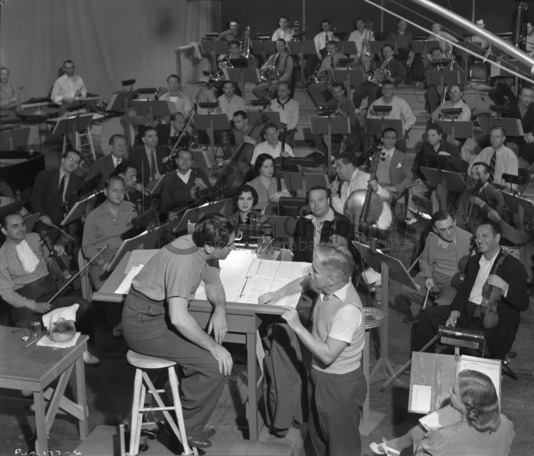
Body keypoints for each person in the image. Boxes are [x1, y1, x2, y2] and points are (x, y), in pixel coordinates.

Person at [121, 213, 237, 450]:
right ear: (208, 246)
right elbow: (178, 317)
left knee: (207, 355)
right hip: (143, 324)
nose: (233, 248)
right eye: (229, 245)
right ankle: (184, 428)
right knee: (215, 365)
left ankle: (182, 420)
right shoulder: (184, 260)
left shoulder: (203, 247)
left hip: (159, 316)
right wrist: (215, 348)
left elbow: (214, 283)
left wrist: (220, 310)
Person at [258, 243, 366, 456]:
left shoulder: (347, 310)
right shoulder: (327, 285)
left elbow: (327, 355)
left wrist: (297, 326)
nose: (310, 272)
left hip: (339, 385)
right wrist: (277, 293)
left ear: (332, 279)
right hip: (319, 375)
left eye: (315, 270)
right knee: (317, 435)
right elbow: (305, 281)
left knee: (341, 447)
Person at [412, 220, 529, 359]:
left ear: (497, 238)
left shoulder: (514, 267)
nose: (479, 240)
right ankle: (422, 368)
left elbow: (523, 303)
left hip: (489, 320)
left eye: (485, 236)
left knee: (461, 345)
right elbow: (463, 292)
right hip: (466, 311)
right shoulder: (474, 261)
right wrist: (455, 311)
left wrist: (505, 287)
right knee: (428, 316)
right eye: (477, 236)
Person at [0, 211, 99, 364]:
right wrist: (32, 304)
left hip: (51, 292)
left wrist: (56, 252)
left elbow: (49, 260)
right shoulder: (2, 256)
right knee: (25, 330)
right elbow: (6, 292)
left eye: (22, 224)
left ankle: (85, 349)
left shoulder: (34, 238)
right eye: (15, 226)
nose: (21, 229)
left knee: (86, 307)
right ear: (4, 230)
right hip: (25, 301)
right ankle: (41, 366)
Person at [373, 370, 514, 456]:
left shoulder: (446, 436)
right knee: (419, 431)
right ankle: (394, 446)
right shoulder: (505, 423)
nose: (450, 394)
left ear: (468, 402)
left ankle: (394, 446)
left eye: (453, 392)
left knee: (421, 431)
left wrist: (430, 437)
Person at [82, 175, 136, 336]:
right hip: (102, 255)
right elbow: (87, 246)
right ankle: (117, 322)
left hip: (127, 252)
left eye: (122, 190)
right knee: (107, 286)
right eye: (114, 190)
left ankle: (133, 319)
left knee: (139, 279)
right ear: (105, 192)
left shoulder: (131, 207)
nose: (119, 194)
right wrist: (100, 262)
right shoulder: (94, 215)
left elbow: (137, 235)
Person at [400, 211, 472, 319]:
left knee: (443, 306)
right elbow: (424, 259)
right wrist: (428, 276)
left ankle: (432, 312)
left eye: (451, 227)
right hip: (434, 276)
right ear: (435, 229)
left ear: (455, 222)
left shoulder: (468, 239)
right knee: (407, 288)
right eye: (442, 230)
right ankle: (424, 311)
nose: (449, 232)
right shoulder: (432, 237)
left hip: (453, 281)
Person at [330, 153, 393, 230]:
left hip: (378, 222)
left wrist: (377, 189)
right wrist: (334, 195)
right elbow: (343, 211)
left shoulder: (365, 177)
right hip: (360, 225)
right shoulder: (344, 186)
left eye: (339, 166)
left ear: (349, 166)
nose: (336, 170)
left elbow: (388, 196)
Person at [293, 187, 354, 263]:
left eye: (320, 200)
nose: (316, 204)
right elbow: (298, 254)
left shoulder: (342, 222)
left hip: (333, 271)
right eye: (312, 201)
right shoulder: (302, 222)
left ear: (328, 201)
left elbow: (350, 256)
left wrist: (345, 245)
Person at [30, 150, 84, 227]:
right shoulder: (45, 175)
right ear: (62, 160)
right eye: (70, 159)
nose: (73, 163)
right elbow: (35, 199)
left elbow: (74, 203)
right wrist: (42, 216)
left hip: (65, 219)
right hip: (45, 216)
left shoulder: (77, 182)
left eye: (76, 162)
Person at [159, 149, 211, 221]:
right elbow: (163, 206)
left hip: (200, 215)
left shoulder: (199, 173)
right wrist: (169, 213)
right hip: (179, 217)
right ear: (176, 160)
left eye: (188, 159)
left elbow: (213, 196)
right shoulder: (168, 179)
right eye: (182, 158)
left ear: (192, 162)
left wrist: (205, 186)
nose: (185, 161)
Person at [353, 44, 406, 110]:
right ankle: (355, 110)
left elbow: (401, 77)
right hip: (374, 82)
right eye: (384, 51)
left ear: (392, 52)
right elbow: (372, 73)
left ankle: (370, 111)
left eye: (388, 51)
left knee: (374, 90)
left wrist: (393, 79)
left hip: (386, 83)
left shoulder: (397, 63)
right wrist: (367, 76)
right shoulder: (379, 63)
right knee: (359, 91)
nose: (386, 53)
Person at [366, 80, 416, 145]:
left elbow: (412, 118)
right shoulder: (375, 104)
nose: (386, 91)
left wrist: (404, 130)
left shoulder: (401, 103)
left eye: (389, 89)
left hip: (397, 133)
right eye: (384, 89)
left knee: (401, 142)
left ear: (394, 90)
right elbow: (369, 120)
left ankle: (399, 155)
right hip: (380, 133)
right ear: (381, 91)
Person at [457, 162, 505, 229]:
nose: (473, 177)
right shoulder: (467, 192)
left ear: (487, 176)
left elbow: (496, 222)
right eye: (472, 174)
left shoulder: (495, 194)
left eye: (477, 174)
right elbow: (459, 214)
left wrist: (482, 205)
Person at [470, 125, 519, 190]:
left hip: (501, 189)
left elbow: (512, 185)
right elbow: (471, 167)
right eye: (492, 137)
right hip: (484, 186)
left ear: (503, 138)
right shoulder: (486, 151)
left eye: (497, 137)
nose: (494, 140)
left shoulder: (510, 156)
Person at [374, 127, 413, 203]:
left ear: (396, 140)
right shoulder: (375, 154)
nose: (390, 141)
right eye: (387, 138)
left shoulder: (401, 156)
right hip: (375, 187)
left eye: (393, 138)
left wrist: (396, 187)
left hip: (391, 190)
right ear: (382, 139)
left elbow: (409, 177)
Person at [503, 85, 534, 164]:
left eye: (530, 96)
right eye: (525, 96)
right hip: (511, 138)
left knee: (530, 146)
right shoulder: (510, 106)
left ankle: (526, 170)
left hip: (526, 138)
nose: (527, 99)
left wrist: (531, 133)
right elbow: (504, 126)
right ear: (519, 96)